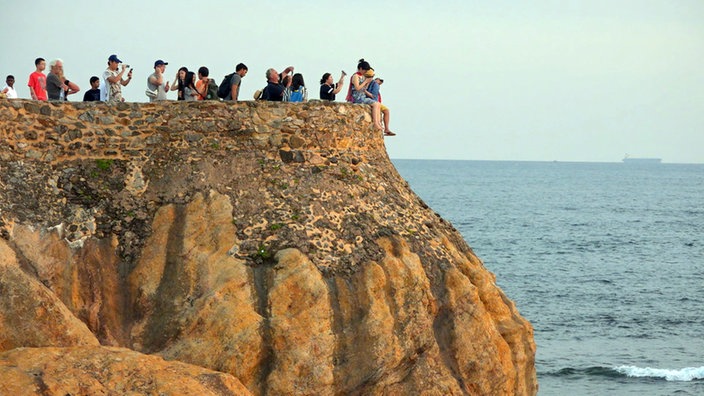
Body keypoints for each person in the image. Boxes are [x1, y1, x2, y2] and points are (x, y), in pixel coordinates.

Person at [347, 59, 383, 131]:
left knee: (378, 104)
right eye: (364, 70)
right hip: (357, 97)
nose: (365, 72)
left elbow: (363, 88)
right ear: (360, 69)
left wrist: (367, 83)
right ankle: (375, 123)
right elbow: (357, 88)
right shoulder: (355, 76)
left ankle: (378, 122)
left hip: (362, 96)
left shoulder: (362, 76)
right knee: (375, 104)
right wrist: (365, 81)